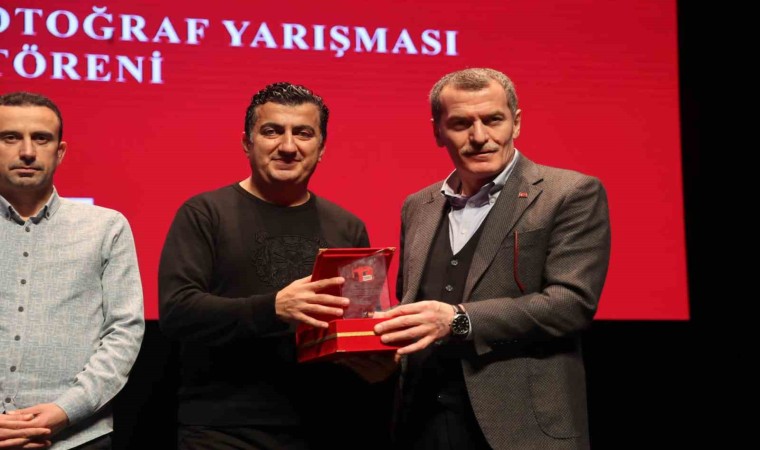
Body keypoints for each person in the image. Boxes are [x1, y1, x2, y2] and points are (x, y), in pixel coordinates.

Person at [373, 68, 612, 449]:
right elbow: (412, 303)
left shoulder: (569, 193)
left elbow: (571, 304)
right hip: (421, 421)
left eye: (493, 119)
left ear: (516, 122)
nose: (480, 136)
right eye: (461, 123)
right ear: (438, 131)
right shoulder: (418, 205)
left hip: (519, 427)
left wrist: (459, 320)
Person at [158, 82, 393, 450]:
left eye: (303, 133)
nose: (287, 146)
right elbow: (177, 311)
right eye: (272, 131)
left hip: (325, 427)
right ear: (247, 142)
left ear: (321, 148)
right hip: (223, 431)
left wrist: (378, 357)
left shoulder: (348, 227)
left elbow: (354, 326)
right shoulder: (204, 214)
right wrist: (274, 308)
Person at [0, 92, 145, 449]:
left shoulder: (106, 227)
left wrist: (65, 411)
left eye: (41, 138)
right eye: (11, 137)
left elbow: (124, 331)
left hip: (78, 438)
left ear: (60, 152)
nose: (27, 152)